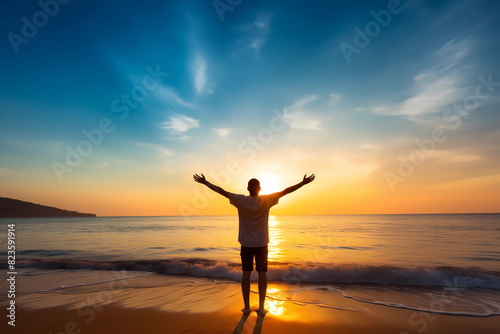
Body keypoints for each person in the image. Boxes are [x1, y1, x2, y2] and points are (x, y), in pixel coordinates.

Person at [193, 173, 315, 316]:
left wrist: (205, 182)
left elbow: (221, 191)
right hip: (262, 244)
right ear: (260, 188)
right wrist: (302, 183)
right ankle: (262, 308)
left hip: (246, 245)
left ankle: (246, 307)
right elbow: (285, 191)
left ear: (248, 189)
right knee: (262, 275)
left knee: (246, 274)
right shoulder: (266, 200)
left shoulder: (240, 200)